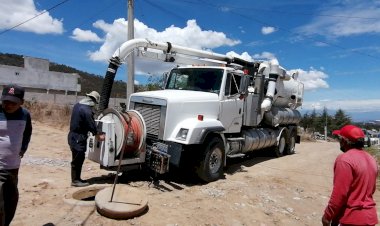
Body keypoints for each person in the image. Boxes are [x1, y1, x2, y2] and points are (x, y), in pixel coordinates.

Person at [322, 124, 378, 226]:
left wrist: (327, 216)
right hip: (370, 218)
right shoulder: (371, 159)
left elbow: (339, 194)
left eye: (340, 139)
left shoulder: (344, 159)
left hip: (349, 219)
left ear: (344, 141)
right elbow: (371, 190)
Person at [0, 84, 32, 226]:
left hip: (13, 166)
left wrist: (23, 148)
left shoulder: (25, 115)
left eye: (13, 102)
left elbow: (27, 132)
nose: (8, 105)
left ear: (21, 103)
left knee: (11, 201)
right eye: (5, 101)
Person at [67, 91, 105, 187]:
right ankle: (75, 181)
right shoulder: (86, 110)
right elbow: (91, 125)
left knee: (77, 157)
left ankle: (77, 178)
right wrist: (98, 135)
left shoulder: (77, 105)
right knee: (78, 159)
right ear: (93, 101)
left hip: (72, 136)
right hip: (78, 138)